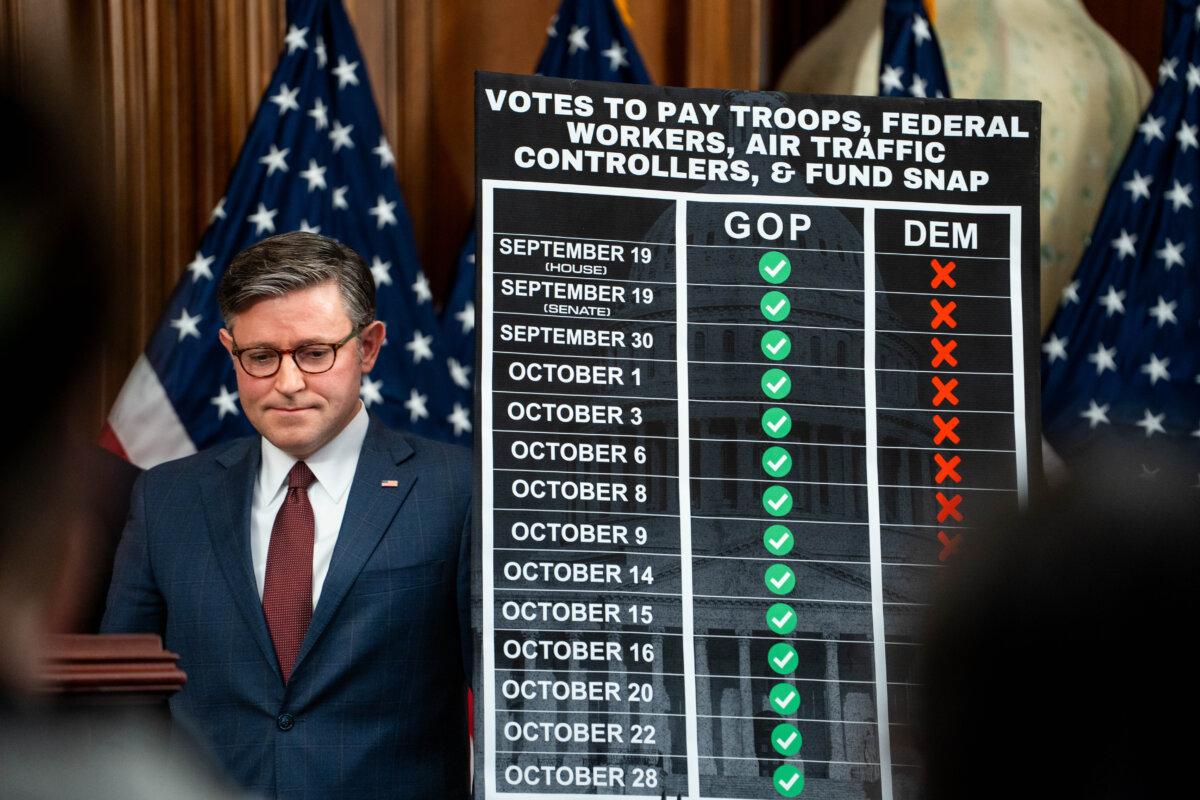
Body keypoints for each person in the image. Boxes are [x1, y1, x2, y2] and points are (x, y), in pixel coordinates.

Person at [102, 231, 473, 798]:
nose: (288, 383)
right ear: (231, 351)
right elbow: (121, 704)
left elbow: (515, 697)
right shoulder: (166, 499)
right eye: (261, 357)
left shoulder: (458, 489)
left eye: (314, 352)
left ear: (368, 347)